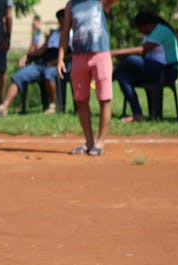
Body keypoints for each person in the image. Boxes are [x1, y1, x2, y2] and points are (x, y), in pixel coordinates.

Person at [57, 0, 117, 156]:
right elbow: (65, 32)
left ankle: (100, 141)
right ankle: (89, 141)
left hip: (100, 54)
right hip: (79, 57)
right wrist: (60, 58)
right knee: (81, 100)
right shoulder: (71, 5)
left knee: (104, 98)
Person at [0, 9, 70, 117]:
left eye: (63, 19)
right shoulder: (54, 34)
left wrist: (57, 62)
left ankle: (52, 106)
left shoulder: (72, 34)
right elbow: (42, 50)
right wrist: (28, 56)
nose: (61, 21)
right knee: (19, 76)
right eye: (59, 19)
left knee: (49, 73)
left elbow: (72, 54)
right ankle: (4, 107)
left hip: (58, 66)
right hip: (42, 64)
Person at [111, 11, 178, 123]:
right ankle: (137, 114)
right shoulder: (149, 33)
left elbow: (144, 49)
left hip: (167, 71)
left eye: (140, 29)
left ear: (147, 25)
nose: (140, 32)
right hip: (152, 69)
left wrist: (115, 52)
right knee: (123, 77)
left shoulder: (161, 30)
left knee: (129, 59)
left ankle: (109, 78)